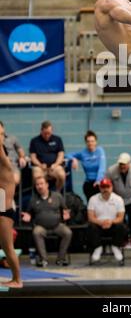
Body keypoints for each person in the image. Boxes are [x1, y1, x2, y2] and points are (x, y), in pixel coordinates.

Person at [22, 176, 72, 267]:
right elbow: (28, 213)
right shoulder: (33, 199)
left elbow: (65, 210)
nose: (39, 186)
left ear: (47, 185)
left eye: (41, 184)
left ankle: (61, 259)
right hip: (41, 226)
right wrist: (27, 217)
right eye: (37, 185)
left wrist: (66, 215)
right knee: (36, 232)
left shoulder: (57, 196)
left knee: (67, 232)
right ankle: (43, 259)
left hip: (57, 225)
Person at [106, 152, 131, 249]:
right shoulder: (111, 171)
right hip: (118, 200)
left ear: (129, 163)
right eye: (120, 164)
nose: (122, 166)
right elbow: (107, 185)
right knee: (120, 221)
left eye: (124, 164)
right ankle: (123, 239)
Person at [0, 126, 23, 288]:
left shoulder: (7, 168)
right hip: (1, 206)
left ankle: (17, 279)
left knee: (8, 247)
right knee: (5, 247)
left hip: (4, 211)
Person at [87, 178, 128, 264]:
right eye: (103, 187)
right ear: (100, 188)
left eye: (107, 187)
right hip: (99, 226)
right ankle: (98, 248)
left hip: (113, 225)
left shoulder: (118, 199)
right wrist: (101, 222)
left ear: (111, 187)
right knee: (91, 226)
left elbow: (120, 217)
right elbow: (91, 217)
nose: (105, 189)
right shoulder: (93, 199)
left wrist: (110, 222)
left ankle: (116, 246)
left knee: (122, 226)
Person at [66, 130, 106, 201]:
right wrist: (73, 159)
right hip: (88, 183)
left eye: (92, 141)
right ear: (86, 142)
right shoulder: (83, 153)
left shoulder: (100, 151)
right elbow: (67, 155)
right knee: (91, 205)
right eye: (88, 141)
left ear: (96, 142)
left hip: (99, 183)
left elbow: (102, 167)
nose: (90, 143)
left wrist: (98, 180)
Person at [29, 120, 65, 191]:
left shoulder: (57, 139)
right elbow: (33, 157)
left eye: (49, 133)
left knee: (62, 175)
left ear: (52, 131)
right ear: (41, 131)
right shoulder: (34, 141)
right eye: (45, 133)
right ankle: (42, 195)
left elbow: (61, 155)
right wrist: (40, 165)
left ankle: (56, 193)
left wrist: (55, 164)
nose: (47, 135)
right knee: (36, 176)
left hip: (54, 167)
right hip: (40, 167)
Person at [0, 121, 27, 185]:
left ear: (3, 129)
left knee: (15, 179)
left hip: (12, 165)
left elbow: (20, 150)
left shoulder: (12, 138)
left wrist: (22, 157)